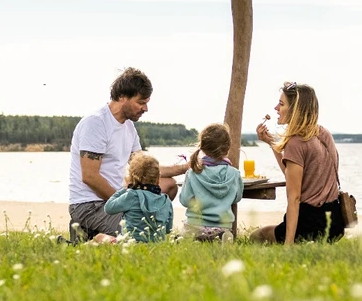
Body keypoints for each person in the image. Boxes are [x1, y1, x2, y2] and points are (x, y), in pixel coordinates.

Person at [66, 68, 188, 241]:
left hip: (119, 197)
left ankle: (97, 233)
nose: (145, 108)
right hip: (89, 204)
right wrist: (126, 202)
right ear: (122, 97)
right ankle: (88, 234)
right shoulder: (95, 123)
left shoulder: (129, 127)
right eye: (141, 102)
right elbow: (90, 176)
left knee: (168, 185)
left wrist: (186, 168)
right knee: (143, 232)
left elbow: (145, 168)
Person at [251, 82, 346, 244]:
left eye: (281, 104)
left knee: (256, 236)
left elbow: (294, 198)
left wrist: (288, 244)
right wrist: (272, 144)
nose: (276, 108)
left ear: (295, 110)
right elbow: (292, 174)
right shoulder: (324, 133)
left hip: (310, 223)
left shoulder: (295, 142)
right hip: (335, 222)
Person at [178, 124, 242, 241]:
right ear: (228, 148)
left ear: (202, 147)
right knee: (222, 233)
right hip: (223, 224)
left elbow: (185, 201)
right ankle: (220, 236)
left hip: (194, 223)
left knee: (185, 235)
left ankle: (195, 237)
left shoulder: (193, 172)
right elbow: (237, 198)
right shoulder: (235, 173)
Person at [91, 153, 173, 243]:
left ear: (131, 178)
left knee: (99, 237)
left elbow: (108, 208)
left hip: (129, 243)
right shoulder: (166, 200)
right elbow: (168, 229)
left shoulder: (131, 195)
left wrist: (125, 189)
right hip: (156, 245)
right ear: (158, 179)